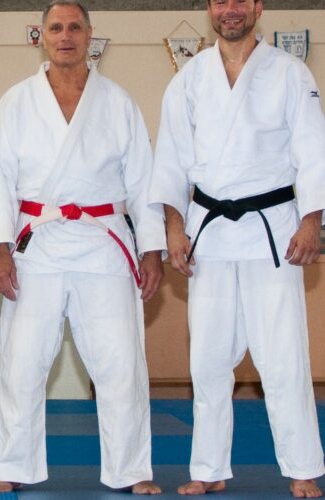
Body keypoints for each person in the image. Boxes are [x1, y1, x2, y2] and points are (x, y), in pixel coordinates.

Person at [0, 0, 166, 495]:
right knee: (22, 363)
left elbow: (143, 181)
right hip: (36, 244)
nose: (65, 36)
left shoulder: (118, 101)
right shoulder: (16, 102)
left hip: (102, 242)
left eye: (74, 27)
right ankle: (13, 467)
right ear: (41, 36)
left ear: (89, 35)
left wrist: (151, 249)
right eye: (56, 28)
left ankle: (131, 470)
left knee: (120, 363)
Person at [150, 0, 325, 498]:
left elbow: (313, 151)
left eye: (240, 1)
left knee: (283, 357)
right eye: (221, 1)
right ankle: (209, 468)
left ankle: (302, 468)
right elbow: (171, 160)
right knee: (207, 359)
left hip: (273, 232)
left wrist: (312, 221)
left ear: (257, 7)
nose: (231, 10)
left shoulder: (290, 73)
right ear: (210, 8)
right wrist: (173, 227)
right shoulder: (188, 79)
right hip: (209, 235)